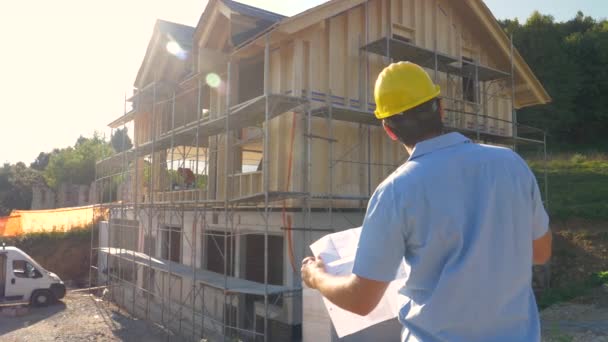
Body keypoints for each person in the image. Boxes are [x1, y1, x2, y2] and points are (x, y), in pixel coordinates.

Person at [301, 62, 552, 341]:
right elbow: (540, 252)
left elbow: (361, 300)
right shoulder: (511, 164)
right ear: (441, 108)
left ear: (389, 129)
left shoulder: (395, 192)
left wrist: (317, 277)